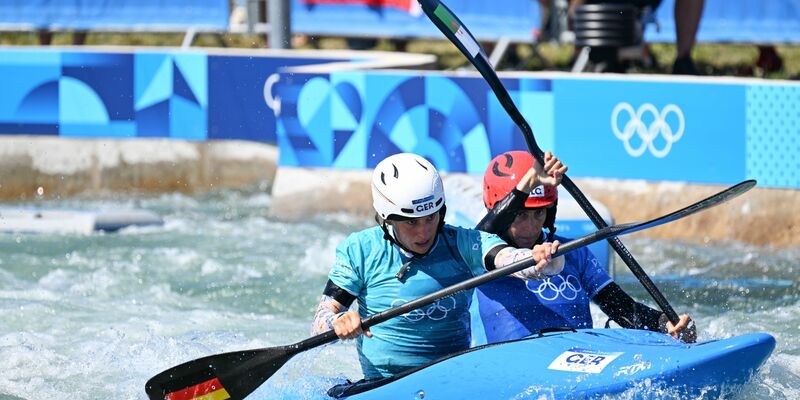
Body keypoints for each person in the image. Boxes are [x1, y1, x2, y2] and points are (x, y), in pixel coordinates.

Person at [311, 152, 565, 383]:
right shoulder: (360, 249)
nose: (424, 232)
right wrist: (338, 321)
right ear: (387, 218)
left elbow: (508, 259)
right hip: (385, 384)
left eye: (431, 218)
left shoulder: (463, 243)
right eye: (411, 222)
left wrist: (538, 259)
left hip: (451, 380)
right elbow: (321, 320)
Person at [474, 150, 697, 344]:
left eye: (539, 213)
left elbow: (620, 306)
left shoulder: (573, 251)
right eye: (520, 215)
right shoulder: (475, 253)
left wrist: (664, 324)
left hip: (578, 359)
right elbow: (480, 235)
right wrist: (528, 182)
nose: (531, 226)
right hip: (517, 366)